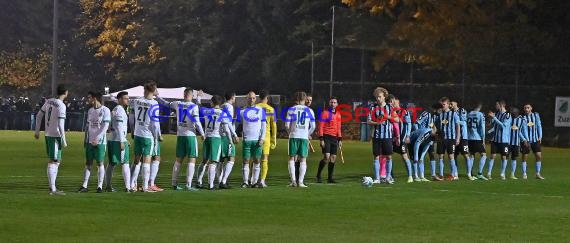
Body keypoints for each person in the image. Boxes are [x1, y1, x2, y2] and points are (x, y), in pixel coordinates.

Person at [156, 88, 205, 191]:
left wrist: (157, 96)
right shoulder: (194, 106)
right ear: (191, 95)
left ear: (184, 95)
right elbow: (196, 121)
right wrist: (202, 133)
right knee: (192, 159)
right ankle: (188, 185)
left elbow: (166, 103)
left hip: (180, 135)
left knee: (178, 160)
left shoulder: (178, 104)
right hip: (190, 135)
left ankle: (174, 184)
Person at [34, 85, 69, 195]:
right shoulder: (62, 105)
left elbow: (39, 115)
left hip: (48, 133)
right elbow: (60, 124)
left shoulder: (49, 101)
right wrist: (64, 139)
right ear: (66, 93)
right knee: (53, 161)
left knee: (56, 161)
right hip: (55, 135)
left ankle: (53, 187)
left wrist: (37, 130)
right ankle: (53, 189)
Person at [78, 91, 111, 193]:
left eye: (89, 98)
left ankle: (99, 186)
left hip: (100, 142)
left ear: (95, 98)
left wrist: (98, 138)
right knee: (88, 163)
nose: (88, 100)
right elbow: (88, 126)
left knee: (100, 163)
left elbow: (105, 127)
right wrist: (85, 138)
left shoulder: (105, 110)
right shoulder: (90, 110)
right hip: (89, 141)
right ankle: (84, 186)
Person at [130, 82, 160, 192]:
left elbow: (132, 115)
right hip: (148, 135)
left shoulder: (137, 101)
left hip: (138, 134)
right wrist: (156, 138)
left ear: (145, 90)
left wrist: (132, 129)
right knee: (147, 161)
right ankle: (145, 187)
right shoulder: (154, 103)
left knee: (137, 160)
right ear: (153, 91)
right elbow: (155, 124)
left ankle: (132, 185)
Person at [202, 95, 235, 190]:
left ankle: (199, 181)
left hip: (207, 137)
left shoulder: (206, 111)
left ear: (212, 103)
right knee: (214, 162)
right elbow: (227, 129)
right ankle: (211, 185)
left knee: (205, 161)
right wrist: (230, 140)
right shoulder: (222, 113)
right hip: (216, 138)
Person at [367, 87, 399, 184]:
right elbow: (368, 121)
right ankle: (377, 178)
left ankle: (388, 177)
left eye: (380, 96)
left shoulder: (390, 107)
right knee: (376, 157)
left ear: (384, 97)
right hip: (377, 136)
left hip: (387, 136)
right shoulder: (373, 108)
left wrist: (387, 117)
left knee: (389, 157)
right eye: (376, 97)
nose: (378, 98)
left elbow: (397, 120)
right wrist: (376, 123)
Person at [285, 91, 316, 187]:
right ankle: (301, 182)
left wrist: (290, 133)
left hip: (294, 136)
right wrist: (307, 134)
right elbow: (313, 126)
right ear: (305, 99)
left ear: (296, 99)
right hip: (303, 137)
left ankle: (293, 181)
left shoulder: (291, 109)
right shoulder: (309, 111)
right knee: (303, 159)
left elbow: (286, 125)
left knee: (291, 158)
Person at [238, 91, 266, 188]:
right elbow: (237, 124)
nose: (251, 100)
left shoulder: (261, 110)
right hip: (247, 140)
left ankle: (254, 182)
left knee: (257, 160)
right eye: (250, 98)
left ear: (256, 99)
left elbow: (264, 125)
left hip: (257, 140)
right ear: (247, 98)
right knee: (246, 161)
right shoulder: (242, 111)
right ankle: (245, 182)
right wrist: (235, 134)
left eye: (253, 98)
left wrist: (262, 138)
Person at [106, 91, 133, 192]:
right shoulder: (120, 110)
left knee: (111, 163)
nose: (128, 100)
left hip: (112, 139)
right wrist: (122, 141)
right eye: (126, 98)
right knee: (125, 163)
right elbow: (119, 126)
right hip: (118, 140)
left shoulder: (116, 109)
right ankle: (127, 187)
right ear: (120, 99)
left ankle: (108, 186)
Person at [316, 97, 342, 183]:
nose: (333, 104)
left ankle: (330, 178)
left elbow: (339, 128)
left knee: (333, 158)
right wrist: (321, 138)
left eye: (334, 102)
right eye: (331, 102)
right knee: (326, 157)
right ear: (329, 103)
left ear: (337, 104)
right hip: (326, 137)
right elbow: (321, 126)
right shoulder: (325, 113)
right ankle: (318, 175)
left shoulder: (338, 114)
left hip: (334, 138)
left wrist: (340, 139)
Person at [414, 103, 442, 181]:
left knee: (431, 154)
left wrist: (434, 129)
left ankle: (428, 175)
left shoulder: (433, 117)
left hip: (428, 138)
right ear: (435, 109)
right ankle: (417, 175)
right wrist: (418, 134)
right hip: (421, 138)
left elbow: (431, 126)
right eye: (439, 110)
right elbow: (416, 123)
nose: (440, 112)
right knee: (419, 156)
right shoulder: (426, 114)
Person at [435, 97, 460, 180]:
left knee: (451, 156)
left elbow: (458, 126)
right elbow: (437, 126)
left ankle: (453, 175)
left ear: (449, 105)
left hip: (451, 139)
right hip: (441, 139)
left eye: (444, 104)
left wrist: (458, 138)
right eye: (442, 104)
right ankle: (441, 175)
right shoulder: (441, 115)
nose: (443, 106)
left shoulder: (454, 114)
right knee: (440, 156)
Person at [256, 90, 277, 187]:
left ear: (259, 98)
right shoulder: (271, 109)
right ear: (267, 98)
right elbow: (274, 125)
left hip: (256, 135)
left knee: (255, 158)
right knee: (265, 158)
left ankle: (253, 180)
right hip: (266, 136)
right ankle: (262, 180)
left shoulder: (256, 107)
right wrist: (274, 139)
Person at [487, 99, 512, 180]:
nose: (495, 106)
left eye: (496, 105)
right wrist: (491, 119)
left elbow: (503, 126)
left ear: (501, 105)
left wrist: (495, 118)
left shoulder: (507, 115)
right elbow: (494, 124)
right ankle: (489, 173)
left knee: (504, 157)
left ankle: (502, 173)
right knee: (492, 156)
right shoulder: (497, 113)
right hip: (495, 140)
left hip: (504, 141)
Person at [391, 97, 414, 183]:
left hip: (402, 138)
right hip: (392, 139)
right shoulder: (391, 112)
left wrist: (407, 136)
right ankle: (390, 176)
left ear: (398, 104)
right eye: (393, 103)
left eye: (395, 103)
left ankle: (410, 176)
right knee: (388, 156)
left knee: (404, 157)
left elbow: (409, 124)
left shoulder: (404, 112)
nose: (394, 105)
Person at [451, 101, 474, 180]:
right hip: (454, 137)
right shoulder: (450, 112)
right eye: (450, 103)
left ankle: (469, 174)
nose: (451, 104)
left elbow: (464, 122)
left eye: (452, 103)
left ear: (456, 103)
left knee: (466, 155)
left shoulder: (462, 111)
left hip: (463, 137)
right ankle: (456, 174)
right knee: (454, 156)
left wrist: (455, 122)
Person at [521, 103, 544, 180]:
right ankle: (524, 173)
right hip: (526, 141)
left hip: (535, 140)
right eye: (525, 108)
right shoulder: (523, 118)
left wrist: (540, 136)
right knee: (525, 157)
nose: (526, 109)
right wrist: (525, 140)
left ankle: (537, 174)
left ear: (531, 108)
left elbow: (539, 126)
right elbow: (522, 130)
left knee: (539, 156)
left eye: (528, 107)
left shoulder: (535, 116)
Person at [467, 102, 488, 180]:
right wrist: (483, 139)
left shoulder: (468, 114)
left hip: (469, 138)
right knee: (483, 155)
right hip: (477, 138)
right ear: (480, 107)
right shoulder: (480, 114)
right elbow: (482, 127)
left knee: (471, 155)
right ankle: (479, 173)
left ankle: (470, 173)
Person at [507, 107, 529, 180]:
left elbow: (519, 132)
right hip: (508, 142)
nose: (512, 113)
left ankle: (512, 174)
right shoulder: (509, 118)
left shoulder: (522, 120)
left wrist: (524, 140)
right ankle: (503, 173)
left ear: (517, 113)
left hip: (516, 143)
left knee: (514, 158)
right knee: (505, 157)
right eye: (511, 112)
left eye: (513, 112)